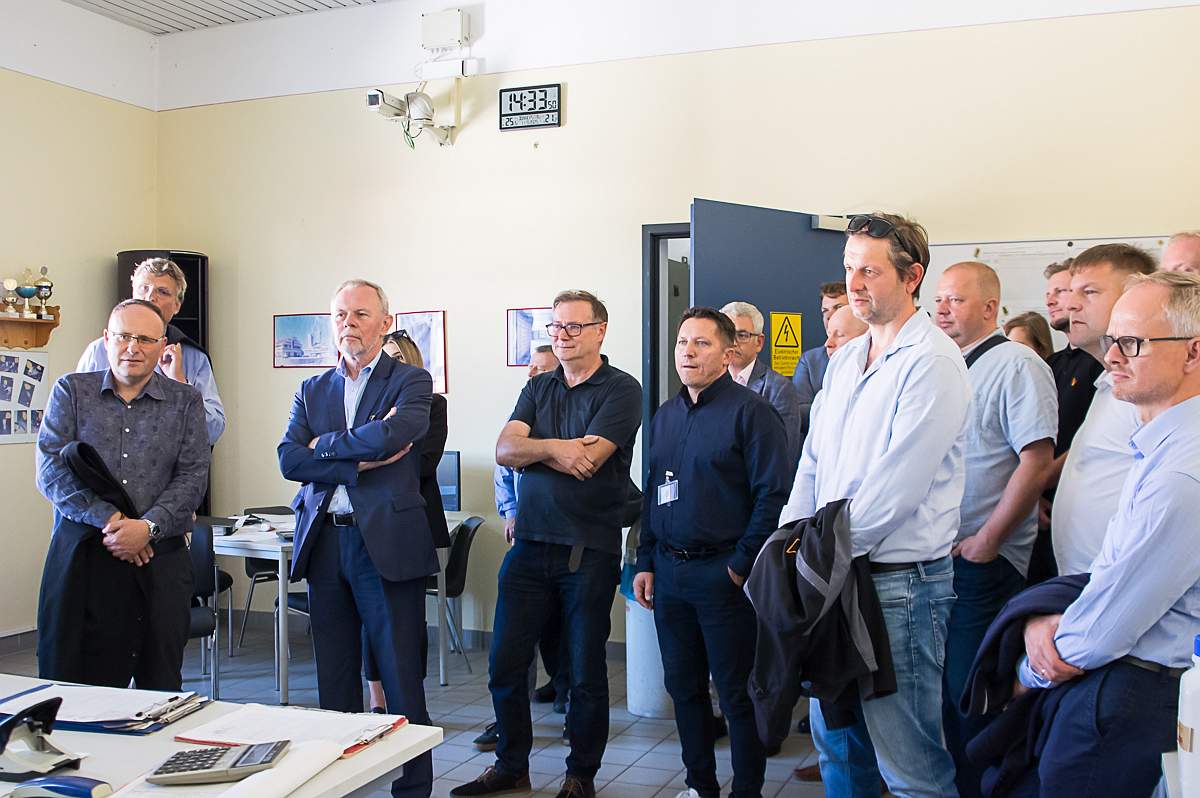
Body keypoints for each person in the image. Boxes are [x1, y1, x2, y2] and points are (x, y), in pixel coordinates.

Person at [780, 212, 970, 798]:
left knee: (910, 768)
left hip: (898, 587)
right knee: (838, 749)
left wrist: (815, 560)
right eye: (849, 268)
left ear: (912, 277)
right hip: (834, 574)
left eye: (870, 270)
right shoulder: (844, 359)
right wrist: (790, 545)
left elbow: (895, 492)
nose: (854, 283)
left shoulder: (932, 362)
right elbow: (813, 462)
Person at [1014, 271, 1200, 796]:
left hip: (1133, 686)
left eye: (1132, 343)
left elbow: (1109, 625)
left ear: (1193, 352)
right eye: (1112, 340)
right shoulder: (1159, 443)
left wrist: (1028, 672)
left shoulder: (1181, 474)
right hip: (1120, 672)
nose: (1112, 356)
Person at [453, 291, 642, 798]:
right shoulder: (539, 386)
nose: (562, 335)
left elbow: (592, 459)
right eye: (555, 327)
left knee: (583, 673)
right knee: (505, 665)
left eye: (574, 327)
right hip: (530, 547)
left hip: (588, 550)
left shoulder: (622, 389)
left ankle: (580, 776)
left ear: (600, 330)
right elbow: (504, 449)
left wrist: (534, 450)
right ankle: (512, 766)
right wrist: (560, 447)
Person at [278, 279, 435, 798]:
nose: (348, 323)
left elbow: (395, 435)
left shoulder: (411, 380)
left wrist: (322, 448)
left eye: (361, 314)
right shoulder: (312, 389)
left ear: (385, 323)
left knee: (401, 678)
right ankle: (338, 785)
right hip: (326, 544)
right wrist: (354, 461)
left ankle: (412, 789)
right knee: (335, 680)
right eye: (340, 315)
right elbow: (288, 459)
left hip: (385, 544)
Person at [633, 307, 790, 798]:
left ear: (728, 353)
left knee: (737, 694)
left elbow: (772, 496)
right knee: (683, 689)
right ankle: (700, 786)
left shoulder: (752, 413)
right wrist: (644, 560)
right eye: (683, 343)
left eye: (701, 343)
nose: (688, 352)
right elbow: (654, 492)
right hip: (670, 572)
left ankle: (747, 791)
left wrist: (740, 566)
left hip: (723, 576)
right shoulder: (666, 415)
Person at [36, 299, 209, 690]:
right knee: (81, 689)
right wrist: (113, 522)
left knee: (160, 686)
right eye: (124, 336)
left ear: (162, 346)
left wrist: (147, 528)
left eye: (145, 339)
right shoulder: (71, 392)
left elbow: (193, 476)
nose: (133, 347)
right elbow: (51, 471)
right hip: (88, 557)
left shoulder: (186, 402)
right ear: (106, 339)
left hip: (161, 561)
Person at [932, 262, 1058, 798]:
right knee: (942, 697)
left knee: (971, 698)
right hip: (937, 558)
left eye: (956, 300)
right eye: (938, 299)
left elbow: (1037, 460)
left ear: (989, 308)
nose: (942, 309)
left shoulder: (1016, 364)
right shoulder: (943, 365)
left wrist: (988, 541)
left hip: (984, 562)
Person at [474, 344, 567, 752]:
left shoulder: (571, 416)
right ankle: (509, 721)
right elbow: (504, 468)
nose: (532, 376)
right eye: (530, 369)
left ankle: (569, 702)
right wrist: (511, 513)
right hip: (526, 538)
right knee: (515, 640)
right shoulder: (520, 420)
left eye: (541, 370)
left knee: (564, 632)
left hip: (567, 541)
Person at [1051, 244, 1156, 576]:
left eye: (1090, 292)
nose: (1071, 304)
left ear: (1133, 299)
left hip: (1119, 581)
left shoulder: (1147, 392)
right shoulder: (1110, 383)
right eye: (1071, 291)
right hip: (1085, 578)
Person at [363, 330, 450, 713]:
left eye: (397, 357)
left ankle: (411, 697)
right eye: (384, 357)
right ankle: (377, 699)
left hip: (414, 519)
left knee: (408, 618)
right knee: (371, 615)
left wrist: (373, 453)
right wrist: (379, 449)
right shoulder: (367, 404)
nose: (389, 364)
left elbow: (424, 462)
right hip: (372, 518)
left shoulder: (433, 405)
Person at [76, 258, 224, 446]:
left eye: (162, 292)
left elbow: (212, 432)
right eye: (143, 288)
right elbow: (76, 419)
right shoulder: (98, 351)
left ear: (177, 305)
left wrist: (180, 385)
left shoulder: (194, 359)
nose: (150, 297)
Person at [1031, 261, 1104, 584]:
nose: (1053, 300)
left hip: (1081, 510)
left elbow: (1086, 440)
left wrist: (1035, 484)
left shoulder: (1104, 365)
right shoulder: (1053, 363)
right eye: (1051, 293)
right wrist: (1031, 495)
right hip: (1045, 510)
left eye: (1062, 291)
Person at [720, 300, 803, 469]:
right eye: (728, 335)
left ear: (759, 342)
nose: (733, 342)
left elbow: (782, 457)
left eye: (742, 335)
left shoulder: (779, 389)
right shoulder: (709, 384)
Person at [792, 282, 847, 435]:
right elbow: (800, 414)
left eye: (838, 308)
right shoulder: (810, 361)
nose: (829, 316)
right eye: (825, 311)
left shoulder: (876, 354)